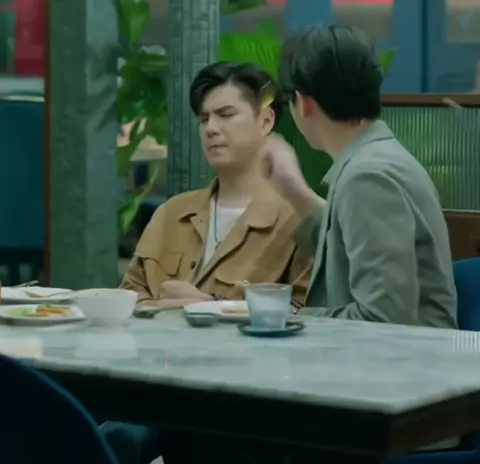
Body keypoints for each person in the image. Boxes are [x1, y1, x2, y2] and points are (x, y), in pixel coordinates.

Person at [102, 61, 311, 464]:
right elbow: (127, 302)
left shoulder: (298, 220)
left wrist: (209, 306)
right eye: (204, 119)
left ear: (266, 120)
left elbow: (307, 322)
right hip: (157, 386)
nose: (211, 128)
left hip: (247, 405)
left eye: (226, 114)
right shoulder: (172, 213)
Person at [262, 24, 457, 328]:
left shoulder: (367, 176)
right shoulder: (375, 159)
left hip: (400, 356)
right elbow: (346, 244)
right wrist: (293, 190)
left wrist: (291, 317)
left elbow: (383, 319)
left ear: (304, 103)